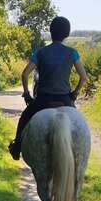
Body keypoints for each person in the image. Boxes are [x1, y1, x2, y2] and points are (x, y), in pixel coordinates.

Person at [8, 16, 88, 160]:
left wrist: (26, 93)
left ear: (51, 32)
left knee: (24, 118)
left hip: (43, 100)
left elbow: (25, 74)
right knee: (77, 124)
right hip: (64, 99)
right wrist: (75, 93)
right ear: (67, 34)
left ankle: (16, 148)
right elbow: (84, 77)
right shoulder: (72, 53)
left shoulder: (40, 52)